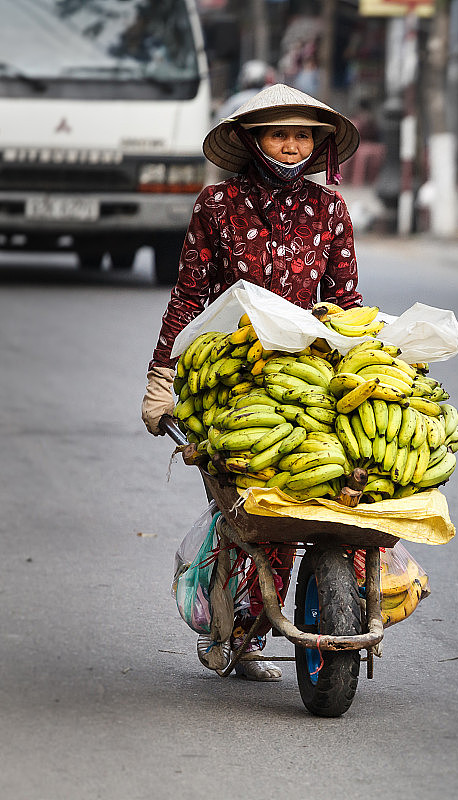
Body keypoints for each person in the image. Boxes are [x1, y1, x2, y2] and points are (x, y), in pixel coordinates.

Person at [141, 83, 362, 681]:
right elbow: (189, 294)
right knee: (254, 514)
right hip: (235, 378)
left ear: (317, 145)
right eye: (278, 134)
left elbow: (344, 301)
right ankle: (236, 630)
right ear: (251, 139)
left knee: (330, 494)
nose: (291, 147)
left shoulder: (330, 211)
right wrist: (162, 377)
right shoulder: (217, 206)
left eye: (302, 136)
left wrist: (366, 364)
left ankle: (331, 608)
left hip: (306, 376)